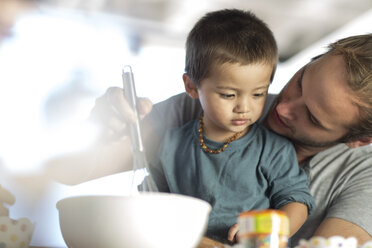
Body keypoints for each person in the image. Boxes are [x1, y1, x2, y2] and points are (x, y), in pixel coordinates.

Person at [44, 20, 372, 248]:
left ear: (358, 140)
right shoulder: (207, 108)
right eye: (299, 81)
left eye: (312, 117)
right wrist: (102, 127)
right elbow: (65, 170)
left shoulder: (363, 177)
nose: (284, 107)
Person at [138, 9, 314, 242]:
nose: (244, 107)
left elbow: (296, 202)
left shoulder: (273, 150)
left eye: (258, 94)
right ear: (191, 86)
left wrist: (267, 229)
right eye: (229, 95)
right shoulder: (170, 145)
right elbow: (150, 201)